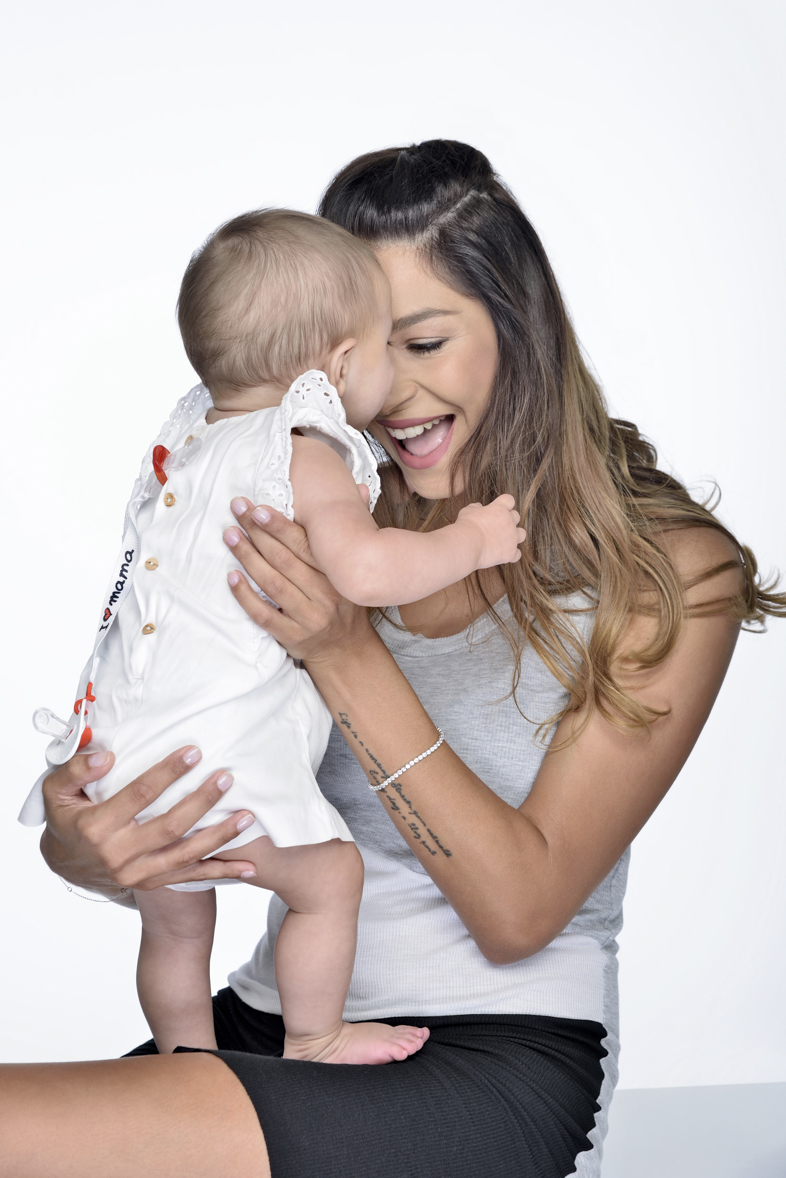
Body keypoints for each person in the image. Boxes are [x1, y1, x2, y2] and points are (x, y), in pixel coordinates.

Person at [2, 139, 783, 1178]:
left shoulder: (668, 571)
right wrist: (84, 844)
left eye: (423, 340)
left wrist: (343, 644)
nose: (390, 391)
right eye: (357, 353)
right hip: (276, 1025)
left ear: (518, 326)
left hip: (486, 1054)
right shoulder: (309, 497)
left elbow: (521, 911)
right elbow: (189, 730)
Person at [19, 207, 523, 1064]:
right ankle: (316, 1035)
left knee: (176, 930)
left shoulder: (186, 446)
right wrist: (471, 541)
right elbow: (367, 572)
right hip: (216, 758)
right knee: (329, 878)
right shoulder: (302, 450)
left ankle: (187, 1062)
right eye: (386, 347)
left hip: (126, 759)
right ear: (339, 365)